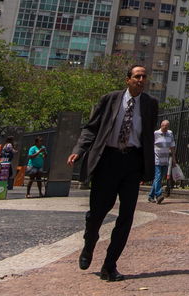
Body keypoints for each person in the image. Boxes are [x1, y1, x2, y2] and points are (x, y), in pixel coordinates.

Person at [68, 64, 159, 282]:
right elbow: (91, 128)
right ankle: (89, 243)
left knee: (126, 217)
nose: (141, 80)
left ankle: (110, 265)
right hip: (107, 160)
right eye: (137, 76)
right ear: (128, 79)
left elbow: (147, 135)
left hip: (132, 163)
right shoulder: (110, 99)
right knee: (97, 213)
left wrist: (148, 165)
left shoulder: (150, 104)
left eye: (144, 77)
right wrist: (79, 151)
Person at [149, 119, 176, 203]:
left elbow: (172, 147)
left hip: (165, 160)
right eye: (165, 126)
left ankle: (150, 196)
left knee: (159, 178)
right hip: (157, 159)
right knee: (158, 176)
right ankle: (159, 195)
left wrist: (174, 159)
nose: (166, 128)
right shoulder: (155, 134)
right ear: (161, 125)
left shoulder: (170, 133)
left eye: (167, 127)